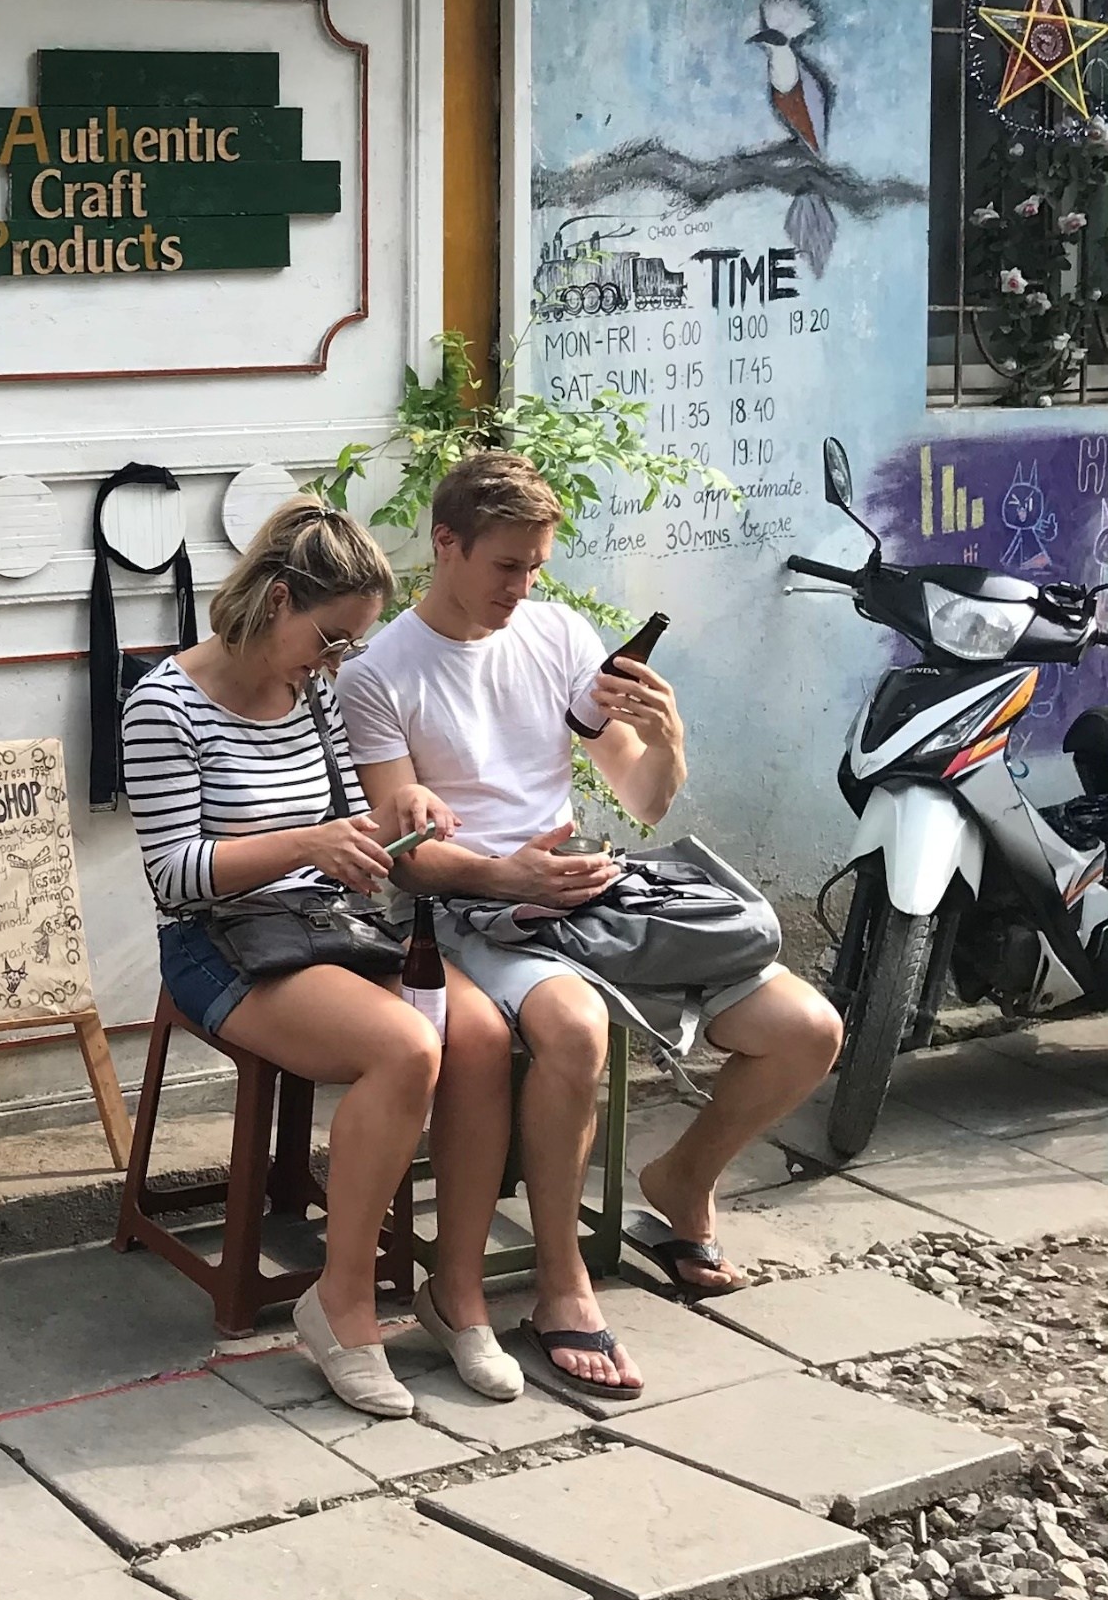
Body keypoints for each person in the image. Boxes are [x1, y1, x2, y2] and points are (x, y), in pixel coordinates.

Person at [341, 448, 844, 1403]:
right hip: (469, 910)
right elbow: (403, 850)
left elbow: (643, 800)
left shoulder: (556, 631)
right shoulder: (381, 672)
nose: (521, 586)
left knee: (807, 1031)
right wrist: (504, 869)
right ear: (444, 543)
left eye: (535, 566)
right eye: (504, 565)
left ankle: (681, 1180)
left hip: (583, 890)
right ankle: (560, 1280)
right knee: (574, 1027)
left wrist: (668, 740)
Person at [121, 496, 517, 1419]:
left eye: (349, 645)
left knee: (481, 1034)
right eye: (331, 637)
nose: (336, 660)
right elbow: (178, 875)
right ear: (275, 599)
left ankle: (453, 1294)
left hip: (324, 922)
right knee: (404, 1045)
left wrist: (405, 815)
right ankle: (338, 1304)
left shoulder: (316, 696)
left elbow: (354, 826)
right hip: (218, 943)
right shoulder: (163, 701)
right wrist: (308, 842)